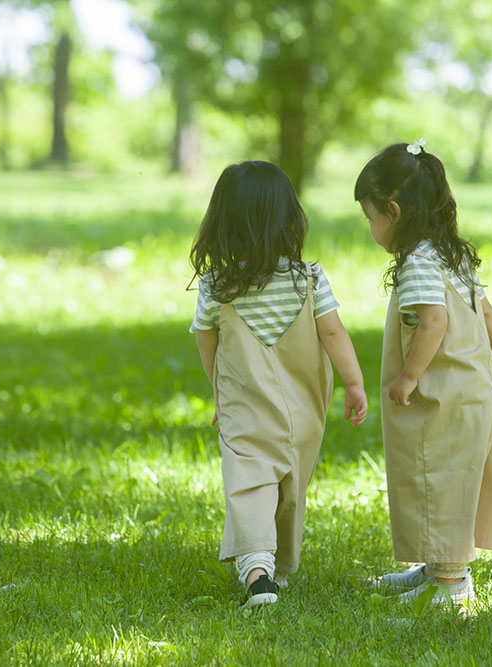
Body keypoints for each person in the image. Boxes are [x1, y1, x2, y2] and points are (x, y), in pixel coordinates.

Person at [190, 160, 369, 609]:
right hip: (303, 411)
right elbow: (333, 333)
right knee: (291, 487)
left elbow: (207, 341)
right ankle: (272, 567)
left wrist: (220, 393)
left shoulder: (217, 286)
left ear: (222, 225)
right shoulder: (308, 279)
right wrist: (354, 383)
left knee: (248, 483)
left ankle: (257, 569)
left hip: (247, 408)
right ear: (290, 221)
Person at [354, 140, 492, 607]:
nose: (370, 228)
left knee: (439, 478)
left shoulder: (420, 265)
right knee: (442, 478)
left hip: (445, 395)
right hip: (476, 390)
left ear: (394, 211)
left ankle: (451, 585)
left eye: (370, 218)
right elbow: (484, 312)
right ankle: (433, 567)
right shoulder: (452, 257)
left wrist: (407, 377)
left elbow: (434, 321)